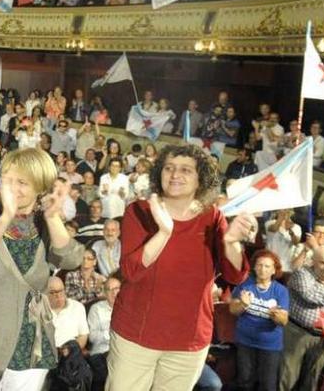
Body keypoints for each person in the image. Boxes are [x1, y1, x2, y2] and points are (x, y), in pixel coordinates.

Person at [106, 144, 254, 391]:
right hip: (136, 336)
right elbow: (131, 271)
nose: (175, 175)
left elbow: (235, 275)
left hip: (188, 340)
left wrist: (231, 242)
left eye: (186, 170)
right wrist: (164, 232)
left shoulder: (213, 217)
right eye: (169, 168)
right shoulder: (139, 211)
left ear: (200, 180)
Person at [0, 147, 83, 391]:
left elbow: (72, 259)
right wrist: (5, 217)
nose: (13, 188)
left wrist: (54, 217)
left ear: (40, 186)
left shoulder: (45, 223)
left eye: (22, 182)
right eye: (8, 180)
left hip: (31, 340)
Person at [228, 249, 288, 391]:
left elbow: (284, 321)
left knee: (267, 385)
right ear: (254, 267)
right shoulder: (244, 284)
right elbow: (232, 310)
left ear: (274, 270)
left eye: (267, 266)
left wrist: (276, 315)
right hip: (245, 341)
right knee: (245, 381)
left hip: (270, 345)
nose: (262, 269)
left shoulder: (281, 290)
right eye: (259, 265)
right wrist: (243, 304)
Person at [280, 246, 324, 391]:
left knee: (312, 380)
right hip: (297, 332)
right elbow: (312, 297)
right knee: (287, 377)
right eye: (322, 263)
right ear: (313, 261)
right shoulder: (301, 274)